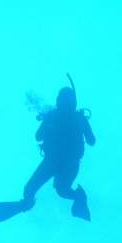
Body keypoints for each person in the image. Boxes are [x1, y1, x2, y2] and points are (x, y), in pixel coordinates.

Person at [21, 86, 95, 220]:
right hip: (68, 163)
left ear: (58, 101)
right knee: (62, 191)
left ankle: (27, 203)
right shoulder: (77, 118)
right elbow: (92, 141)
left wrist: (48, 122)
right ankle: (79, 197)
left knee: (31, 189)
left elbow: (38, 136)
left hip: (54, 162)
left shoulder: (53, 116)